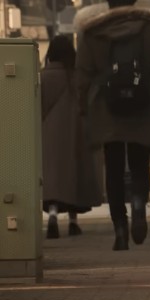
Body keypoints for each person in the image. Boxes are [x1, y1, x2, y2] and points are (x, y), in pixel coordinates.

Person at [76, 0, 150, 251]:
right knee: (140, 162)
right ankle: (140, 203)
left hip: (106, 108)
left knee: (114, 167)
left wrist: (85, 107)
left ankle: (120, 228)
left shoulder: (92, 34)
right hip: (144, 105)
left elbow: (83, 75)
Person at [41, 35, 103, 239]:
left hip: (49, 138)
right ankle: (74, 222)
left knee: (54, 180)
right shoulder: (78, 78)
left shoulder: (43, 78)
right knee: (74, 178)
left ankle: (51, 215)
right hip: (77, 136)